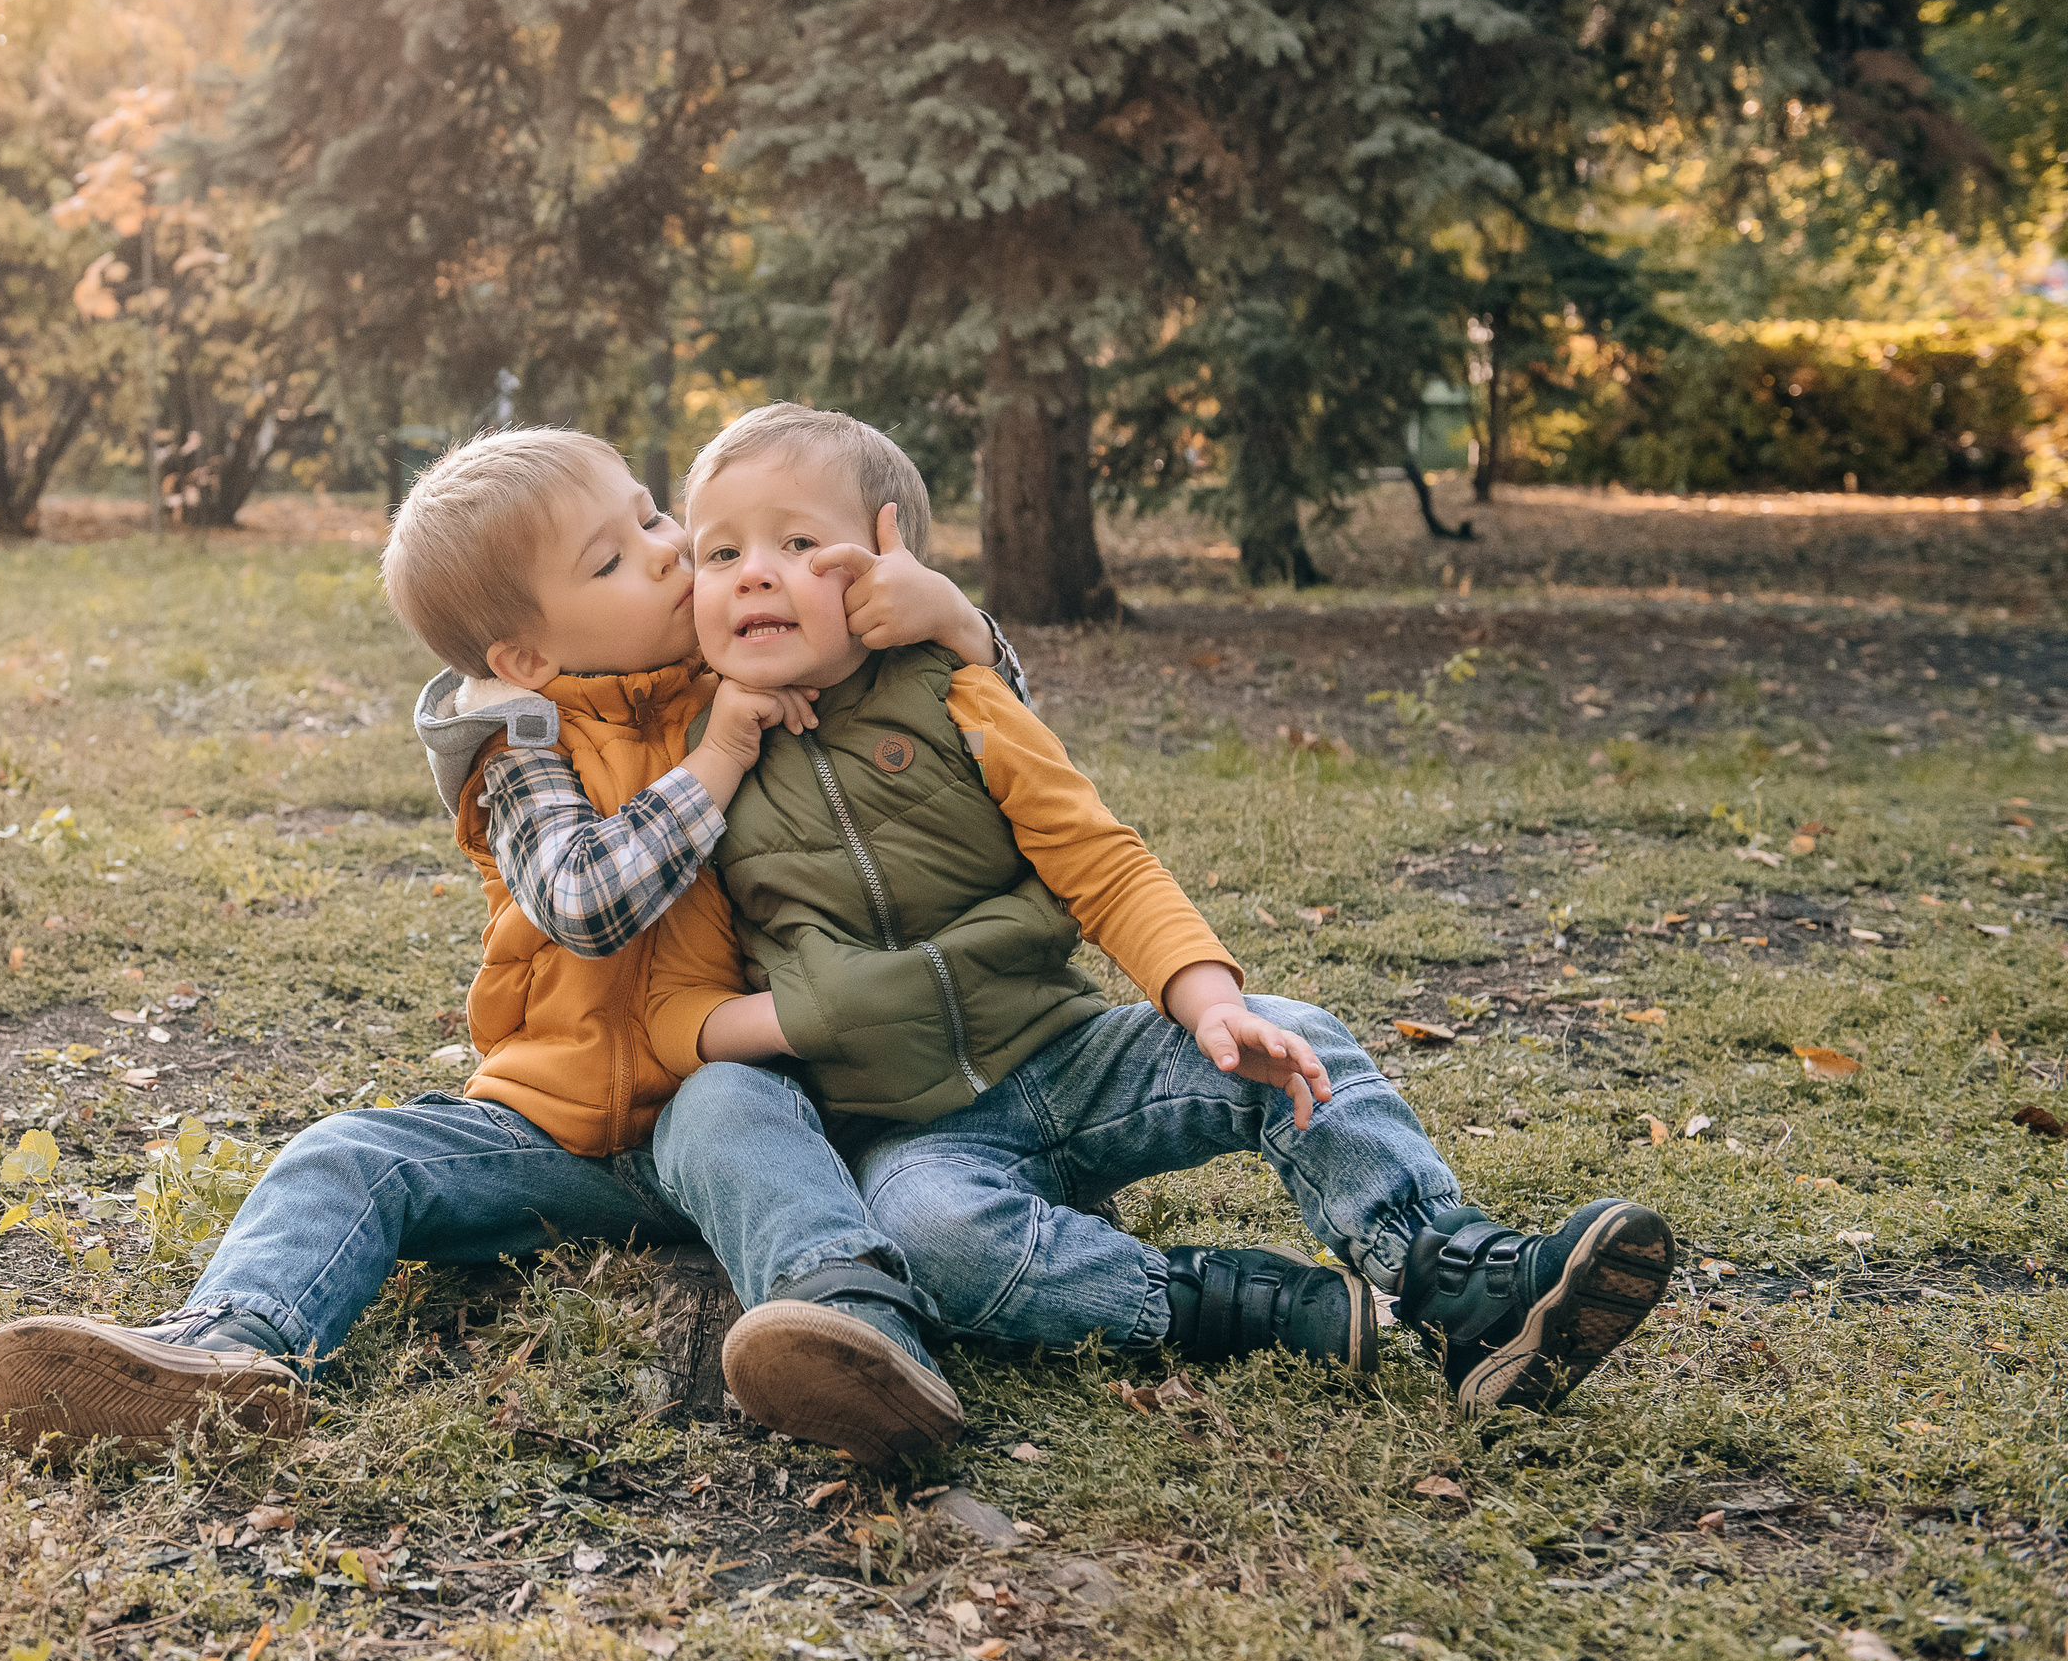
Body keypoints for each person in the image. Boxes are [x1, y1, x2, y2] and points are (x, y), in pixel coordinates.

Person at [0, 427, 1010, 1466]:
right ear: (525, 658)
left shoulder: (756, 658)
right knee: (346, 1154)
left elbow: (962, 738)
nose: (666, 549)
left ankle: (857, 1334)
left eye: (652, 515)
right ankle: (227, 1350)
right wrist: (724, 754)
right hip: (555, 1134)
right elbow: (585, 901)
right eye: (610, 559)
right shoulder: (523, 749)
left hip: (739, 1096)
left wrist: (957, 622)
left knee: (734, 1108)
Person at [675, 403, 1674, 1417]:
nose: (753, 571)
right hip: (912, 1136)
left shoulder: (960, 700)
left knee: (1287, 1035)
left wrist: (1205, 1002)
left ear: (891, 566)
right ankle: (1249, 1306)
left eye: (799, 543)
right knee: (936, 1238)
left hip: (1065, 1054)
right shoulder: (695, 763)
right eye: (719, 552)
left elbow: (1101, 861)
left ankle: (1459, 1273)